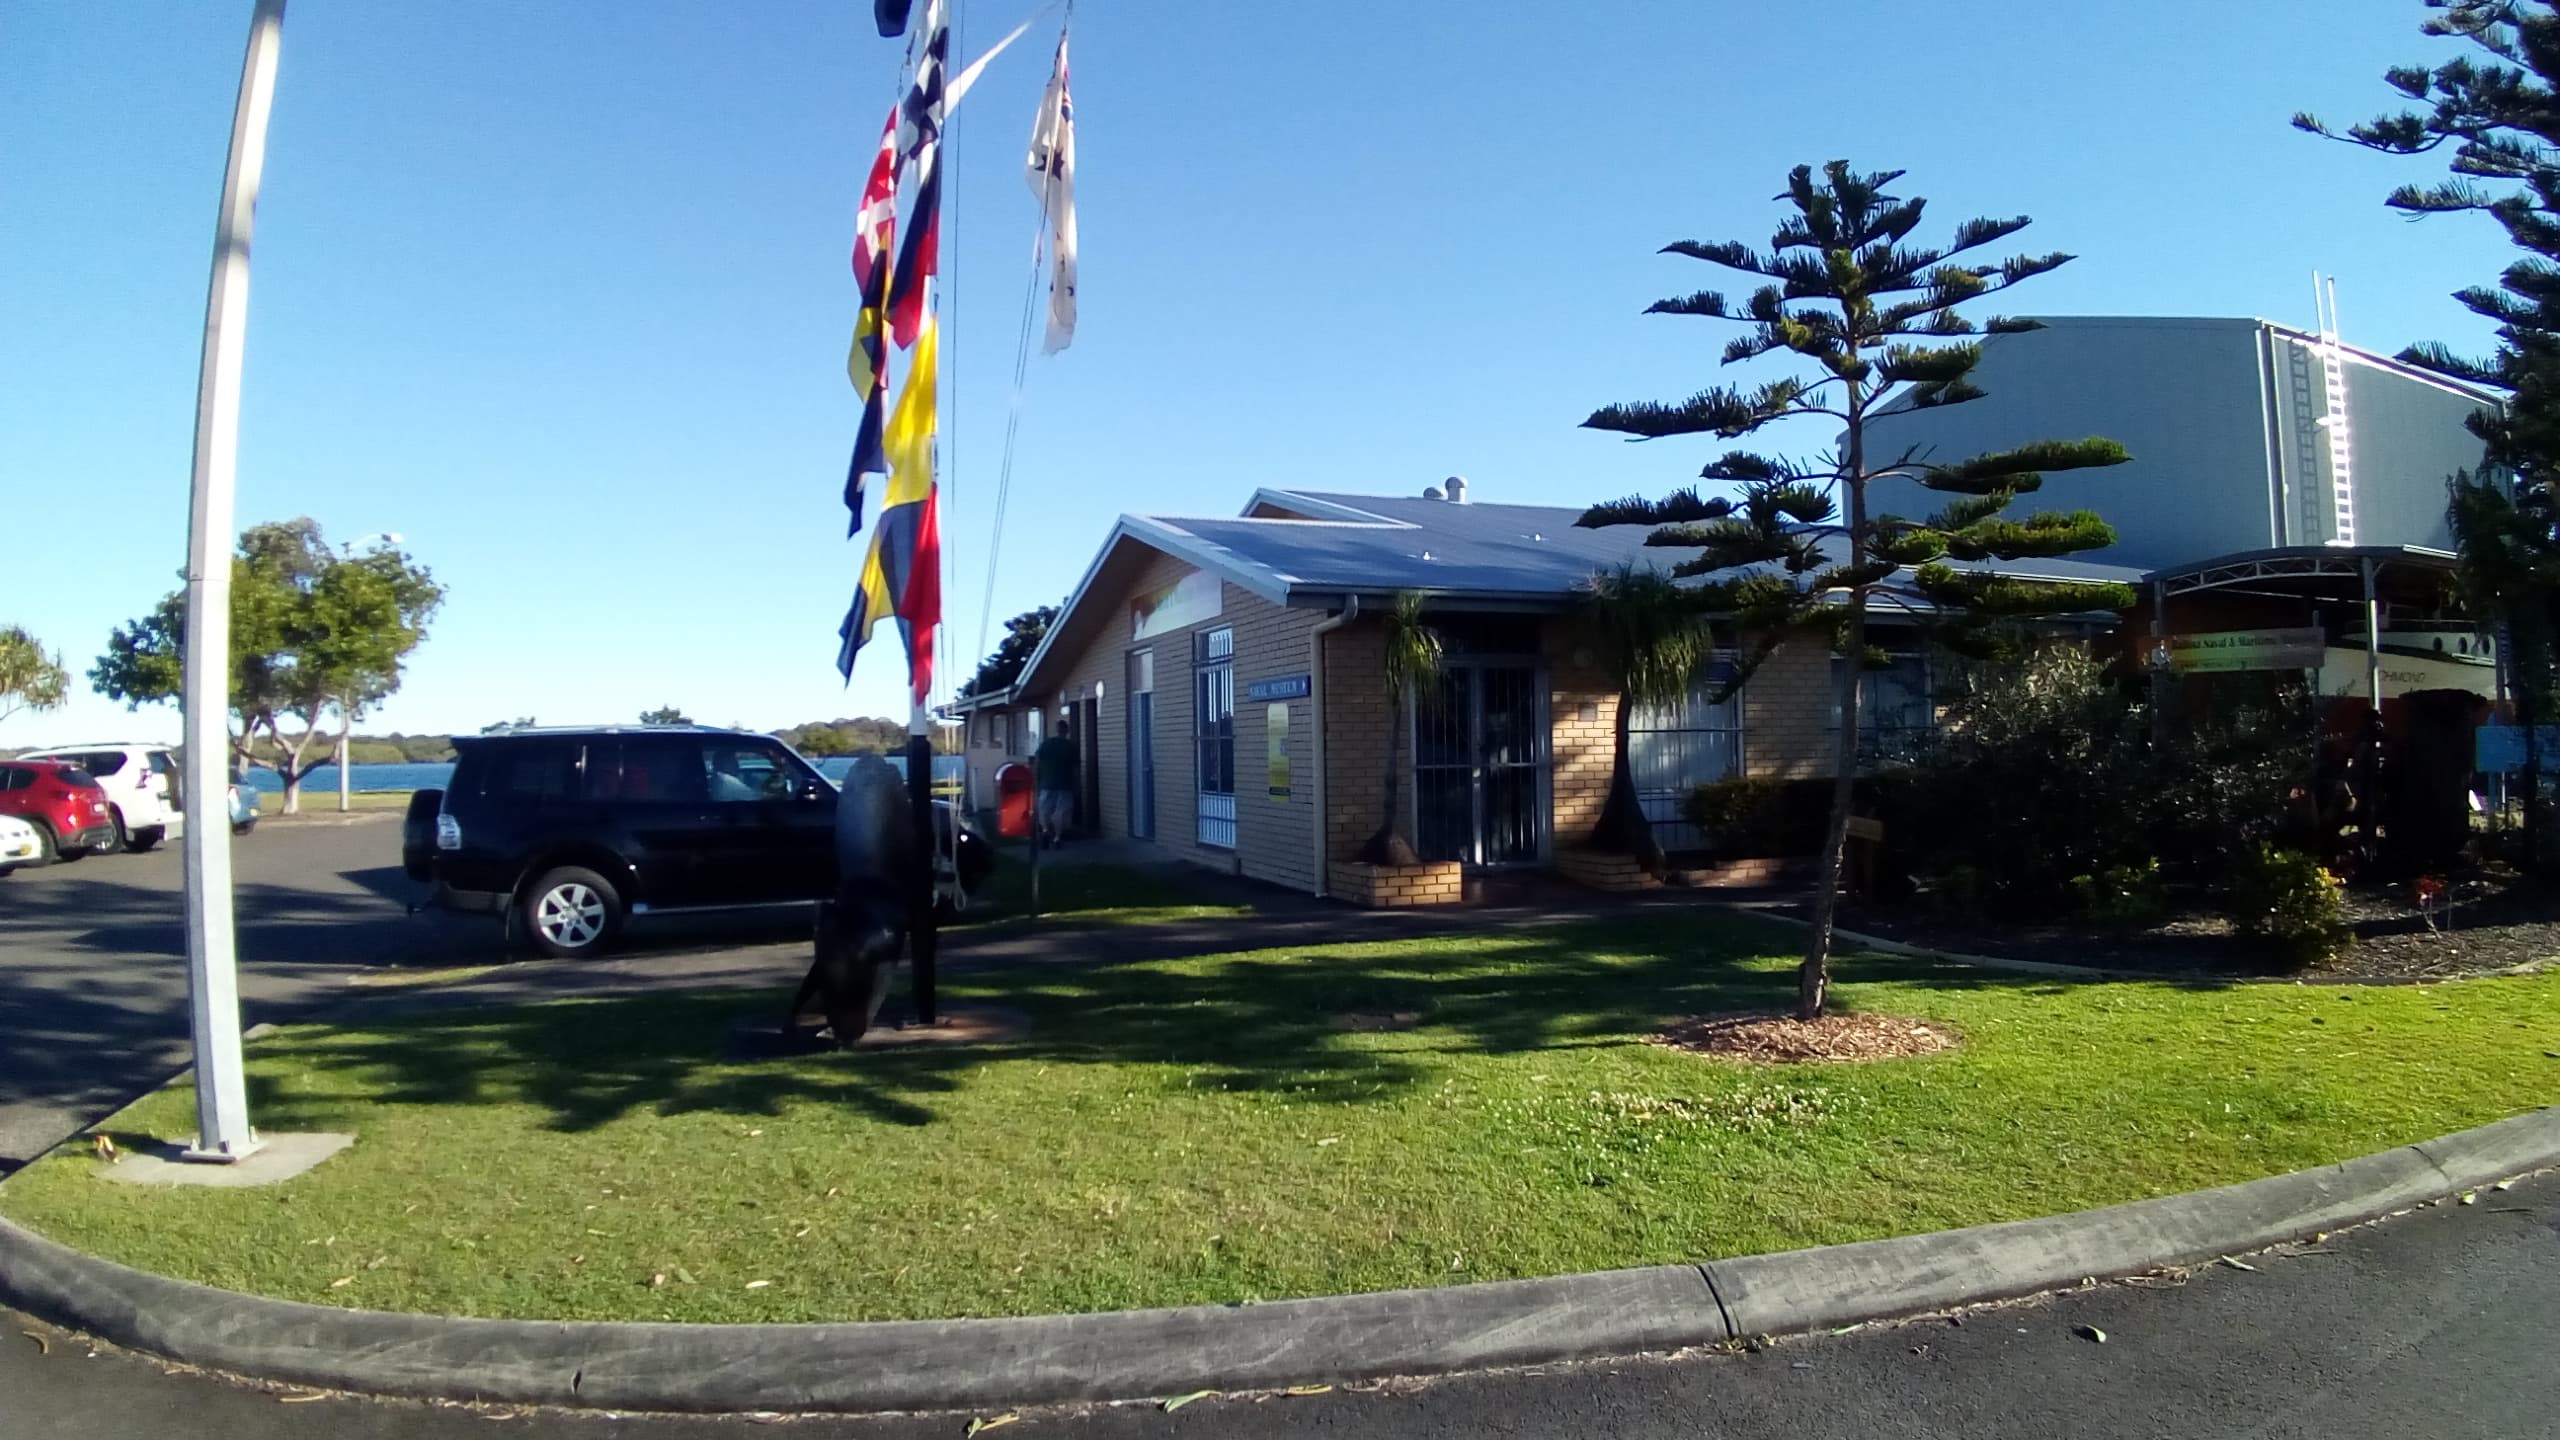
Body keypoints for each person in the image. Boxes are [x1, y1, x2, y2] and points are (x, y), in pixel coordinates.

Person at [1033, 711, 1079, 847]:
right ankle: (1057, 838)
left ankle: (1046, 830)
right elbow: (1076, 769)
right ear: (1067, 731)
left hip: (1046, 784)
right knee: (1060, 812)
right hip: (1065, 785)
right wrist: (1076, 785)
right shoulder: (1070, 746)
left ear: (1056, 730)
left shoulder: (1046, 744)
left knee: (1044, 809)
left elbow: (1037, 763)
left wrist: (1036, 780)